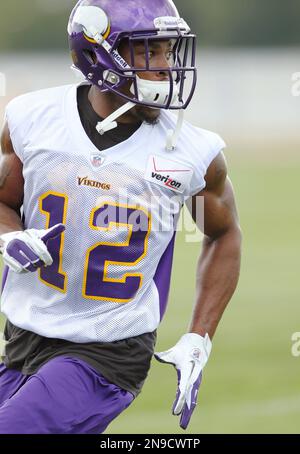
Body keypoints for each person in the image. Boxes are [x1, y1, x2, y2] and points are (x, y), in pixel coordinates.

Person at [0, 0, 241, 434]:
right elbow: (3, 201)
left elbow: (223, 234)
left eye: (169, 51)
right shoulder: (33, 120)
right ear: (98, 54)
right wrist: (8, 237)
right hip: (23, 335)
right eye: (151, 51)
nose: (166, 66)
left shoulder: (192, 153)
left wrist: (198, 337)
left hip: (107, 353)